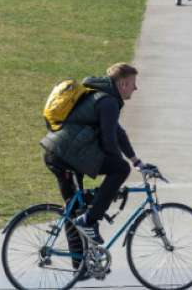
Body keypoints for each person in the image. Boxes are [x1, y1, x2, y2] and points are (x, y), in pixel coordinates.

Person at [40, 63, 148, 245]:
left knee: (74, 208)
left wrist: (135, 160)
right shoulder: (109, 102)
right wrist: (119, 167)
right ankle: (90, 220)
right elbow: (109, 140)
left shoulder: (100, 96)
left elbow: (118, 132)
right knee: (120, 169)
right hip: (65, 156)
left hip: (60, 153)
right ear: (122, 84)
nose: (135, 88)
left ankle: (80, 269)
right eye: (133, 83)